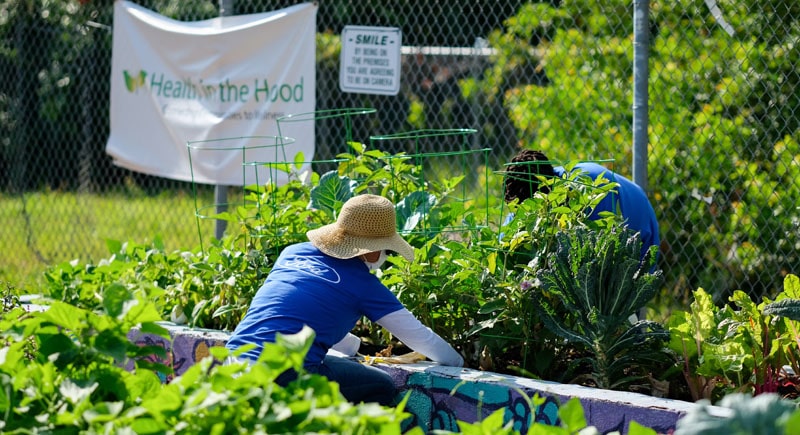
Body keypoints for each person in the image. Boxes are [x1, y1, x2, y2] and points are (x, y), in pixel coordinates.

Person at [225, 194, 464, 406]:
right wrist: (457, 362)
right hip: (283, 376)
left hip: (233, 362)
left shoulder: (293, 253)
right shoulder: (364, 285)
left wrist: (354, 347)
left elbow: (300, 315)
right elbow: (420, 338)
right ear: (372, 250)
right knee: (381, 386)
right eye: (386, 249)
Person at [504, 149, 660, 262]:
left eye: (531, 207)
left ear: (544, 194)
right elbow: (507, 235)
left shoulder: (584, 191)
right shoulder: (525, 189)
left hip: (639, 233)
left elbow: (595, 251)